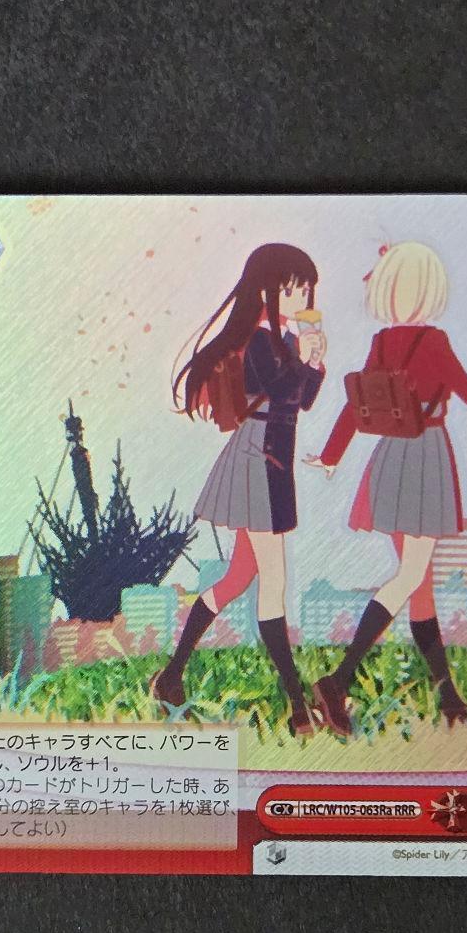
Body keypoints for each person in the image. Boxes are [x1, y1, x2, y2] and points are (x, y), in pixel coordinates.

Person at [305, 241, 467, 735]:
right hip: (424, 459)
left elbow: (357, 402)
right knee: (411, 577)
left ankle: (451, 702)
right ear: (428, 290)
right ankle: (338, 680)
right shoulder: (434, 341)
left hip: (390, 461)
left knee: (420, 591)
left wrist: (332, 455)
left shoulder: (382, 341)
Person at [152, 244, 327, 737]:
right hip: (258, 459)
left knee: (237, 578)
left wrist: (314, 363)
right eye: (292, 289)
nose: (301, 298)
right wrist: (304, 359)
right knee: (273, 582)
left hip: (272, 460)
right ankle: (297, 705)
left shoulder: (283, 340)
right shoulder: (261, 341)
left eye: (306, 290)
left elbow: (303, 401)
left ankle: (170, 676)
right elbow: (284, 391)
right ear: (267, 291)